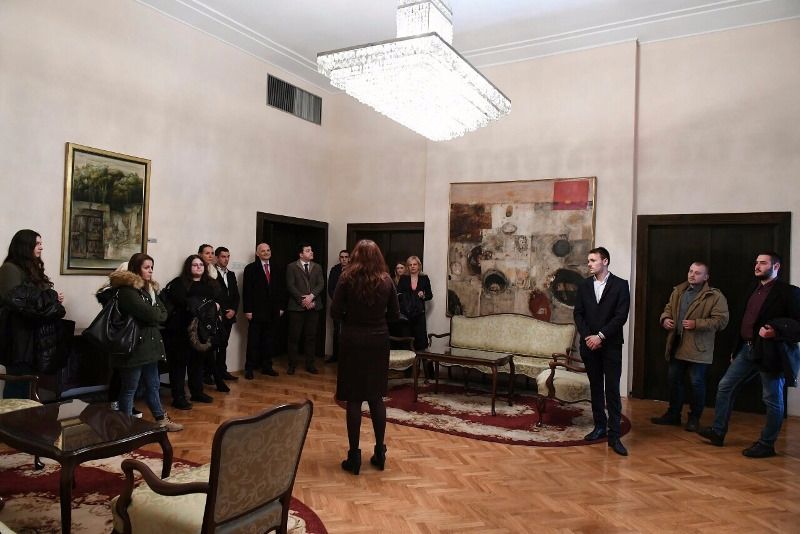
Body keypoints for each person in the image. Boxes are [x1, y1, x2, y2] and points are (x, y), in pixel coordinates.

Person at [699, 252, 800, 458]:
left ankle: (767, 444)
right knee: (725, 386)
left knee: (771, 398)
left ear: (776, 267)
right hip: (747, 349)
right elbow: (744, 322)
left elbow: (798, 326)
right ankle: (718, 432)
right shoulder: (753, 289)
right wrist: (736, 350)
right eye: (756, 262)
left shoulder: (789, 292)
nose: (757, 266)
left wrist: (775, 331)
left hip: (771, 353)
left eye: (763, 263)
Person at [331, 239, 400, 475]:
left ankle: (354, 456)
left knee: (353, 399)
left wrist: (352, 318)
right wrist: (376, 319)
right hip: (378, 340)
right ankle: (380, 452)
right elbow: (395, 315)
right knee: (376, 397)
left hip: (352, 339)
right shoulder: (386, 280)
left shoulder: (346, 278)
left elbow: (334, 312)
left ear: (355, 256)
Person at [107, 253, 182, 431]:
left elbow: (163, 313)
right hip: (134, 346)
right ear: (136, 269)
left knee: (153, 385)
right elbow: (151, 314)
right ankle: (126, 425)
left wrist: (155, 314)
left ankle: (161, 419)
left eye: (151, 267)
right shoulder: (127, 291)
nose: (150, 271)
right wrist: (155, 314)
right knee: (130, 388)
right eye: (146, 267)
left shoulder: (149, 289)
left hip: (150, 345)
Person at [651, 262, 729, 431]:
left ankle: (694, 418)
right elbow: (668, 308)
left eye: (697, 273)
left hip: (698, 347)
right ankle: (673, 415)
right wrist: (665, 319)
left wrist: (697, 324)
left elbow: (721, 321)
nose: (692, 275)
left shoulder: (715, 296)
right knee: (674, 380)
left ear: (706, 277)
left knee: (696, 382)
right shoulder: (679, 291)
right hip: (677, 344)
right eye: (691, 271)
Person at [573, 247, 631, 456]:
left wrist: (601, 336)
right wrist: (589, 337)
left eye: (592, 260)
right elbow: (578, 314)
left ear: (605, 261)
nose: (589, 264)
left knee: (612, 390)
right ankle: (599, 427)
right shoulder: (584, 285)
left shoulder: (621, 285)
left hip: (611, 346)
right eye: (588, 260)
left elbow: (621, 316)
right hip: (589, 346)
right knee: (596, 387)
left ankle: (614, 435)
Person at [0, 229, 65, 394]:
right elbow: (18, 302)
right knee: (18, 384)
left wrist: (53, 299)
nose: (41, 247)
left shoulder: (31, 268)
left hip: (34, 337)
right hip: (18, 338)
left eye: (41, 243)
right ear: (24, 246)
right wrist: (50, 298)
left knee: (30, 385)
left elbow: (37, 300)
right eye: (37, 243)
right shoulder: (10, 269)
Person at [162, 255, 221, 409]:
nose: (198, 267)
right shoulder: (178, 283)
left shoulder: (210, 283)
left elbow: (214, 302)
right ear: (188, 267)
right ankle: (178, 397)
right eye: (195, 265)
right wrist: (206, 305)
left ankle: (197, 392)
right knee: (179, 365)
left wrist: (210, 306)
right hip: (180, 330)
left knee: (198, 362)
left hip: (201, 331)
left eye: (201, 264)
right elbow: (184, 303)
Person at [242, 243, 284, 379]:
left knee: (269, 341)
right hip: (256, 311)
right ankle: (249, 368)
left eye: (268, 250)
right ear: (257, 253)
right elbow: (247, 291)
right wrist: (248, 310)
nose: (266, 252)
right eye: (263, 251)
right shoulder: (250, 269)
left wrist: (281, 307)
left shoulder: (277, 268)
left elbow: (281, 289)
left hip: (273, 311)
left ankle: (267, 367)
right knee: (253, 342)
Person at [286, 242, 324, 375]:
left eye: (311, 250)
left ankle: (310, 365)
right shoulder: (291, 267)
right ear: (301, 254)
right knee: (294, 338)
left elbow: (321, 284)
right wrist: (303, 300)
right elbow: (290, 285)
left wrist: (311, 297)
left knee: (311, 337)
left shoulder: (317, 267)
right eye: (308, 250)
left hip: (314, 307)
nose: (311, 252)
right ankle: (292, 365)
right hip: (297, 308)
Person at [212, 246, 240, 389]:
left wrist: (233, 310)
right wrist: (222, 312)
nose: (226, 259)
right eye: (223, 256)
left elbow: (236, 295)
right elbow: (214, 296)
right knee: (214, 346)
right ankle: (211, 374)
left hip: (229, 315)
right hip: (217, 316)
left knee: (224, 344)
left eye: (228, 256)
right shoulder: (211, 273)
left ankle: (222, 371)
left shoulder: (231, 274)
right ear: (216, 258)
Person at [326, 249, 350, 363]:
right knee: (336, 331)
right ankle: (335, 356)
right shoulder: (335, 270)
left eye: (346, 257)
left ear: (349, 258)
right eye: (342, 257)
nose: (344, 259)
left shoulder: (354, 269)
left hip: (350, 307)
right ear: (339, 258)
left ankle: (347, 357)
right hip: (337, 305)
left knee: (349, 331)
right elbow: (330, 288)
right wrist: (337, 301)